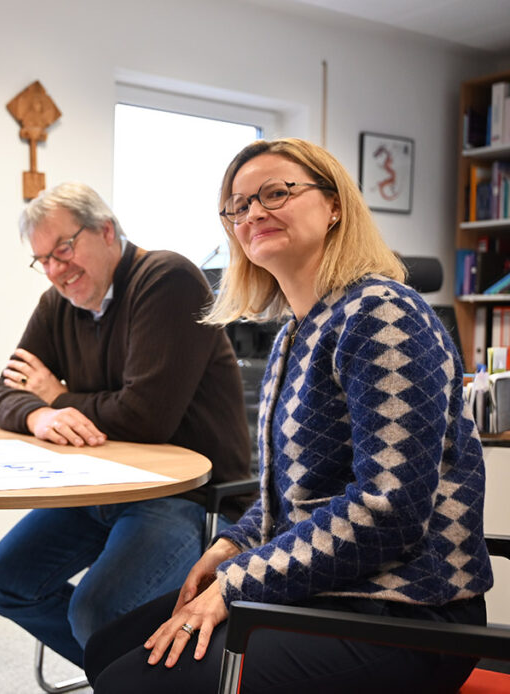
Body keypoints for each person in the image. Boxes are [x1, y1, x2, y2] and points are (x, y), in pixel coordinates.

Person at [84, 138, 494, 693]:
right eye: (238, 205)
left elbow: (389, 511)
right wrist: (234, 543)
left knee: (136, 679)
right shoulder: (295, 333)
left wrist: (237, 581)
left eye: (276, 192)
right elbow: (294, 495)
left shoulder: (382, 314)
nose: (253, 212)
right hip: (332, 588)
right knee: (109, 646)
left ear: (334, 207)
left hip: (409, 611)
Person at [0, 182, 251, 668]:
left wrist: (56, 395)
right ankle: (129, 674)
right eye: (43, 259)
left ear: (106, 231)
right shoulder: (58, 303)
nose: (57, 271)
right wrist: (40, 414)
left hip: (184, 494)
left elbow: (144, 417)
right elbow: (1, 394)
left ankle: (129, 670)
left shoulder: (168, 279)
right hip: (101, 488)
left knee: (97, 610)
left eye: (64, 248)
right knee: (1, 581)